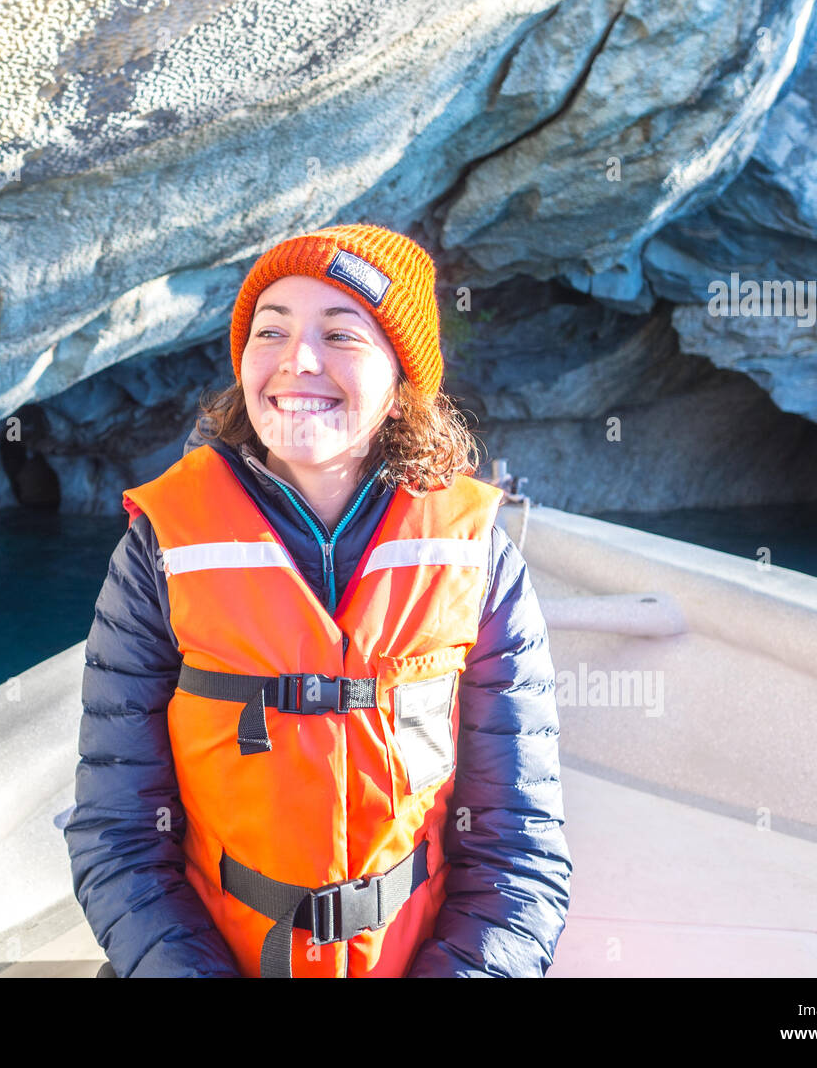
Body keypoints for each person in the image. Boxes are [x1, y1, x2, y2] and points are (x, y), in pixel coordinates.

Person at [64, 223, 571, 977]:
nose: (299, 358)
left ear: (402, 390)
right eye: (271, 330)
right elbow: (119, 835)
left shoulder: (480, 559)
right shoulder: (159, 550)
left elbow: (518, 853)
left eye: (341, 333)